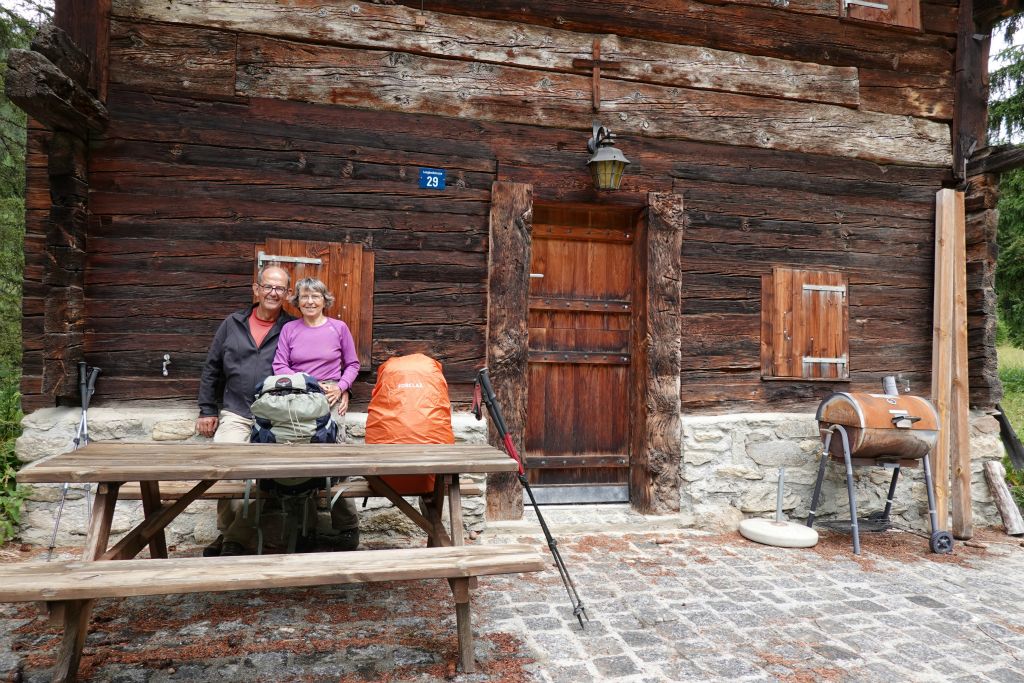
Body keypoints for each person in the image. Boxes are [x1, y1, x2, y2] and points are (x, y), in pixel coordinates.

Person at [196, 263, 294, 557]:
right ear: (256, 289)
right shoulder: (232, 323)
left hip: (273, 417)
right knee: (223, 470)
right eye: (268, 286)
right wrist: (206, 410)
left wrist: (342, 388)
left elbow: (314, 363)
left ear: (287, 294)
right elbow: (212, 367)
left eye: (279, 288)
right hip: (236, 412)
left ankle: (233, 539)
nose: (273, 293)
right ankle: (229, 533)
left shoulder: (291, 327)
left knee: (268, 477)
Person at [273, 276, 361, 550]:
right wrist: (309, 383)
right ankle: (304, 528)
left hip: (331, 402)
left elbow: (353, 364)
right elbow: (279, 366)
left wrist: (342, 387)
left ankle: (348, 527)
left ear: (325, 300)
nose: (310, 301)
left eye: (315, 296)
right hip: (299, 402)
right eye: (304, 297)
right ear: (297, 301)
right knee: (300, 464)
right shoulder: (290, 329)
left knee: (338, 463)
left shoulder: (339, 328)